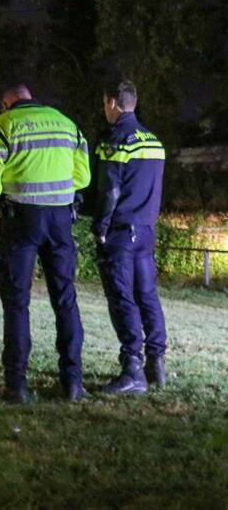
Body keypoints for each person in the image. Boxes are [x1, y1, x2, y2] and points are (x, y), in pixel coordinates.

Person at [0, 84, 91, 404]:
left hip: (21, 219)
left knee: (16, 302)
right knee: (65, 299)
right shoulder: (66, 124)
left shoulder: (1, 125)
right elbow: (83, 177)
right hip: (60, 221)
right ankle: (72, 383)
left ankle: (17, 385)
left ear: (5, 104)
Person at [94, 80, 168, 394]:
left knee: (122, 299)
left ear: (112, 103)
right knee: (147, 296)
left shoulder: (116, 141)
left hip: (122, 233)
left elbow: (110, 190)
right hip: (147, 230)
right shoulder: (154, 142)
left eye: (104, 104)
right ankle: (156, 364)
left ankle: (132, 370)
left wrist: (101, 225)